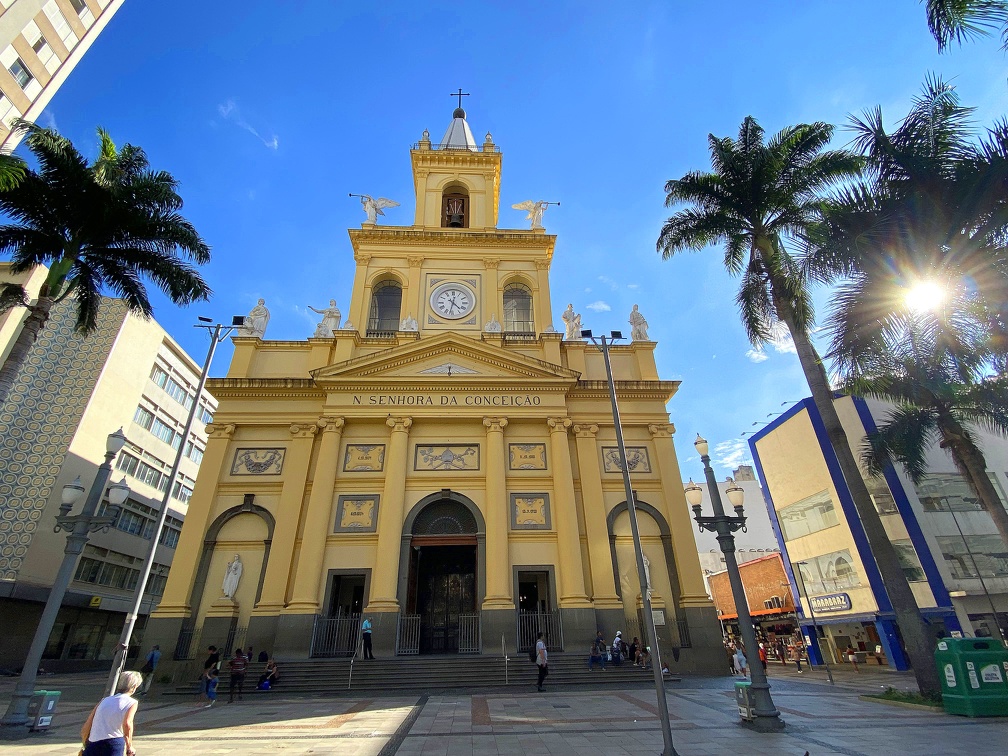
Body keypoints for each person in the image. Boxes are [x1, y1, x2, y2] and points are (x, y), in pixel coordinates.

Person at [80, 669, 142, 756]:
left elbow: (89, 721)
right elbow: (127, 724)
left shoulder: (104, 700)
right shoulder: (131, 702)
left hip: (93, 742)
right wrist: (129, 746)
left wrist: (85, 741)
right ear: (134, 686)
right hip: (113, 742)